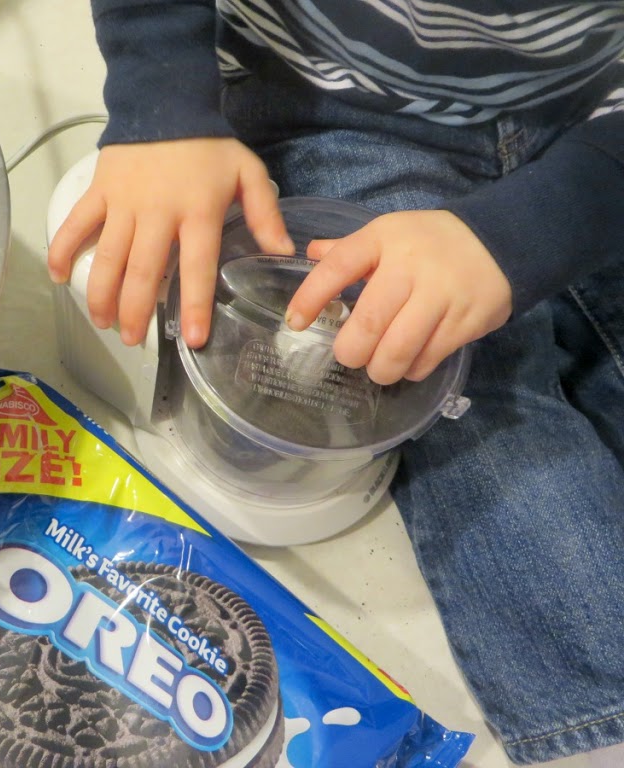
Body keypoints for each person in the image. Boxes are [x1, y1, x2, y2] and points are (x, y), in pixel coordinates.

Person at [47, 1, 624, 766]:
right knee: (471, 403)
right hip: (339, 101)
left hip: (595, 122)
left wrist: (523, 238)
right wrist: (162, 103)